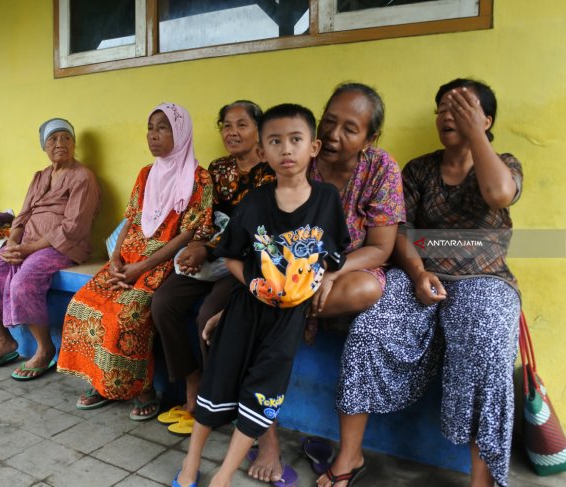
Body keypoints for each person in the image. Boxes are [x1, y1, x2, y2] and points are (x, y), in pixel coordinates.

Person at [326, 79, 522, 487]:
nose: (448, 116)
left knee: (487, 340)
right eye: (443, 108)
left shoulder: (504, 163)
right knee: (370, 326)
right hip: (419, 273)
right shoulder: (417, 169)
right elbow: (401, 231)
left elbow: (500, 194)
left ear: (486, 119)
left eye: (462, 108)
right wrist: (417, 274)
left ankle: (482, 480)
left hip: (484, 279)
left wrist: (476, 138)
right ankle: (350, 456)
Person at [174, 104, 350, 487]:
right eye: (275, 141)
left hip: (288, 320)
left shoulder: (327, 201)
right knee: (218, 380)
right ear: (265, 151)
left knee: (263, 392)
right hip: (246, 308)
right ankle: (191, 463)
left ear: (314, 147)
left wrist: (324, 283)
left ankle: (223, 475)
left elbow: (334, 257)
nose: (286, 149)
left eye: (295, 140)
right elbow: (232, 256)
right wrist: (254, 283)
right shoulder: (253, 203)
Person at [247, 83, 406, 483]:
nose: (333, 134)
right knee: (262, 321)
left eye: (350, 129)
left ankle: (277, 312)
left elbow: (381, 248)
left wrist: (330, 272)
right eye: (329, 122)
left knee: (369, 289)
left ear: (371, 138)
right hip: (287, 272)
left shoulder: (381, 168)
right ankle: (265, 440)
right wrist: (296, 277)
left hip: (348, 269)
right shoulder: (302, 157)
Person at [58, 102, 213, 421]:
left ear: (180, 132)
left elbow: (189, 233)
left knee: (127, 314)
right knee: (82, 303)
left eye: (163, 128)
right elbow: (130, 218)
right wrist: (115, 257)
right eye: (150, 128)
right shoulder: (147, 173)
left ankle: (142, 389)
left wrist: (142, 267)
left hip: (162, 261)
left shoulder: (199, 178)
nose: (153, 135)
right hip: (127, 256)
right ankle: (100, 382)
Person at [151, 100, 275, 430]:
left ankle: (216, 399)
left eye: (242, 125)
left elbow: (259, 229)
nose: (232, 132)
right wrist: (195, 245)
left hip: (247, 263)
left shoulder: (272, 171)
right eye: (226, 125)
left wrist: (208, 248)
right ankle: (193, 379)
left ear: (259, 130)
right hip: (212, 255)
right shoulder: (217, 169)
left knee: (209, 316)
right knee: (163, 303)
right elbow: (206, 215)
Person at [0, 118, 100, 379]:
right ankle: (4, 341)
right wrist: (15, 242)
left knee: (23, 282)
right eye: (53, 139)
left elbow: (73, 228)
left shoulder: (83, 177)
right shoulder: (40, 177)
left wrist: (27, 250)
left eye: (66, 138)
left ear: (74, 144)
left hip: (64, 247)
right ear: (44, 146)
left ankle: (45, 349)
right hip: (27, 244)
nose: (60, 143)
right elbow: (23, 214)